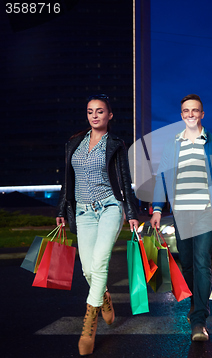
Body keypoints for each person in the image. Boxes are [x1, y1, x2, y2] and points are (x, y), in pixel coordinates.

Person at [56, 94, 139, 356]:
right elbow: (67, 181)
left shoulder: (116, 144)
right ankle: (103, 298)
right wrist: (61, 209)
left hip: (109, 208)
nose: (94, 115)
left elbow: (125, 181)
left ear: (109, 116)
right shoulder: (74, 143)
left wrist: (132, 211)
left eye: (100, 111)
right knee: (88, 270)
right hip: (82, 212)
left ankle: (89, 327)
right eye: (90, 111)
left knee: (100, 261)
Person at [151, 94, 212, 341]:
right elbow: (162, 178)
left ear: (202, 114)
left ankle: (199, 319)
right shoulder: (172, 145)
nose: (190, 114)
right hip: (181, 213)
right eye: (186, 111)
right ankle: (196, 304)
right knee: (187, 262)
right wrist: (157, 208)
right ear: (181, 115)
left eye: (195, 110)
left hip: (206, 212)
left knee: (201, 263)